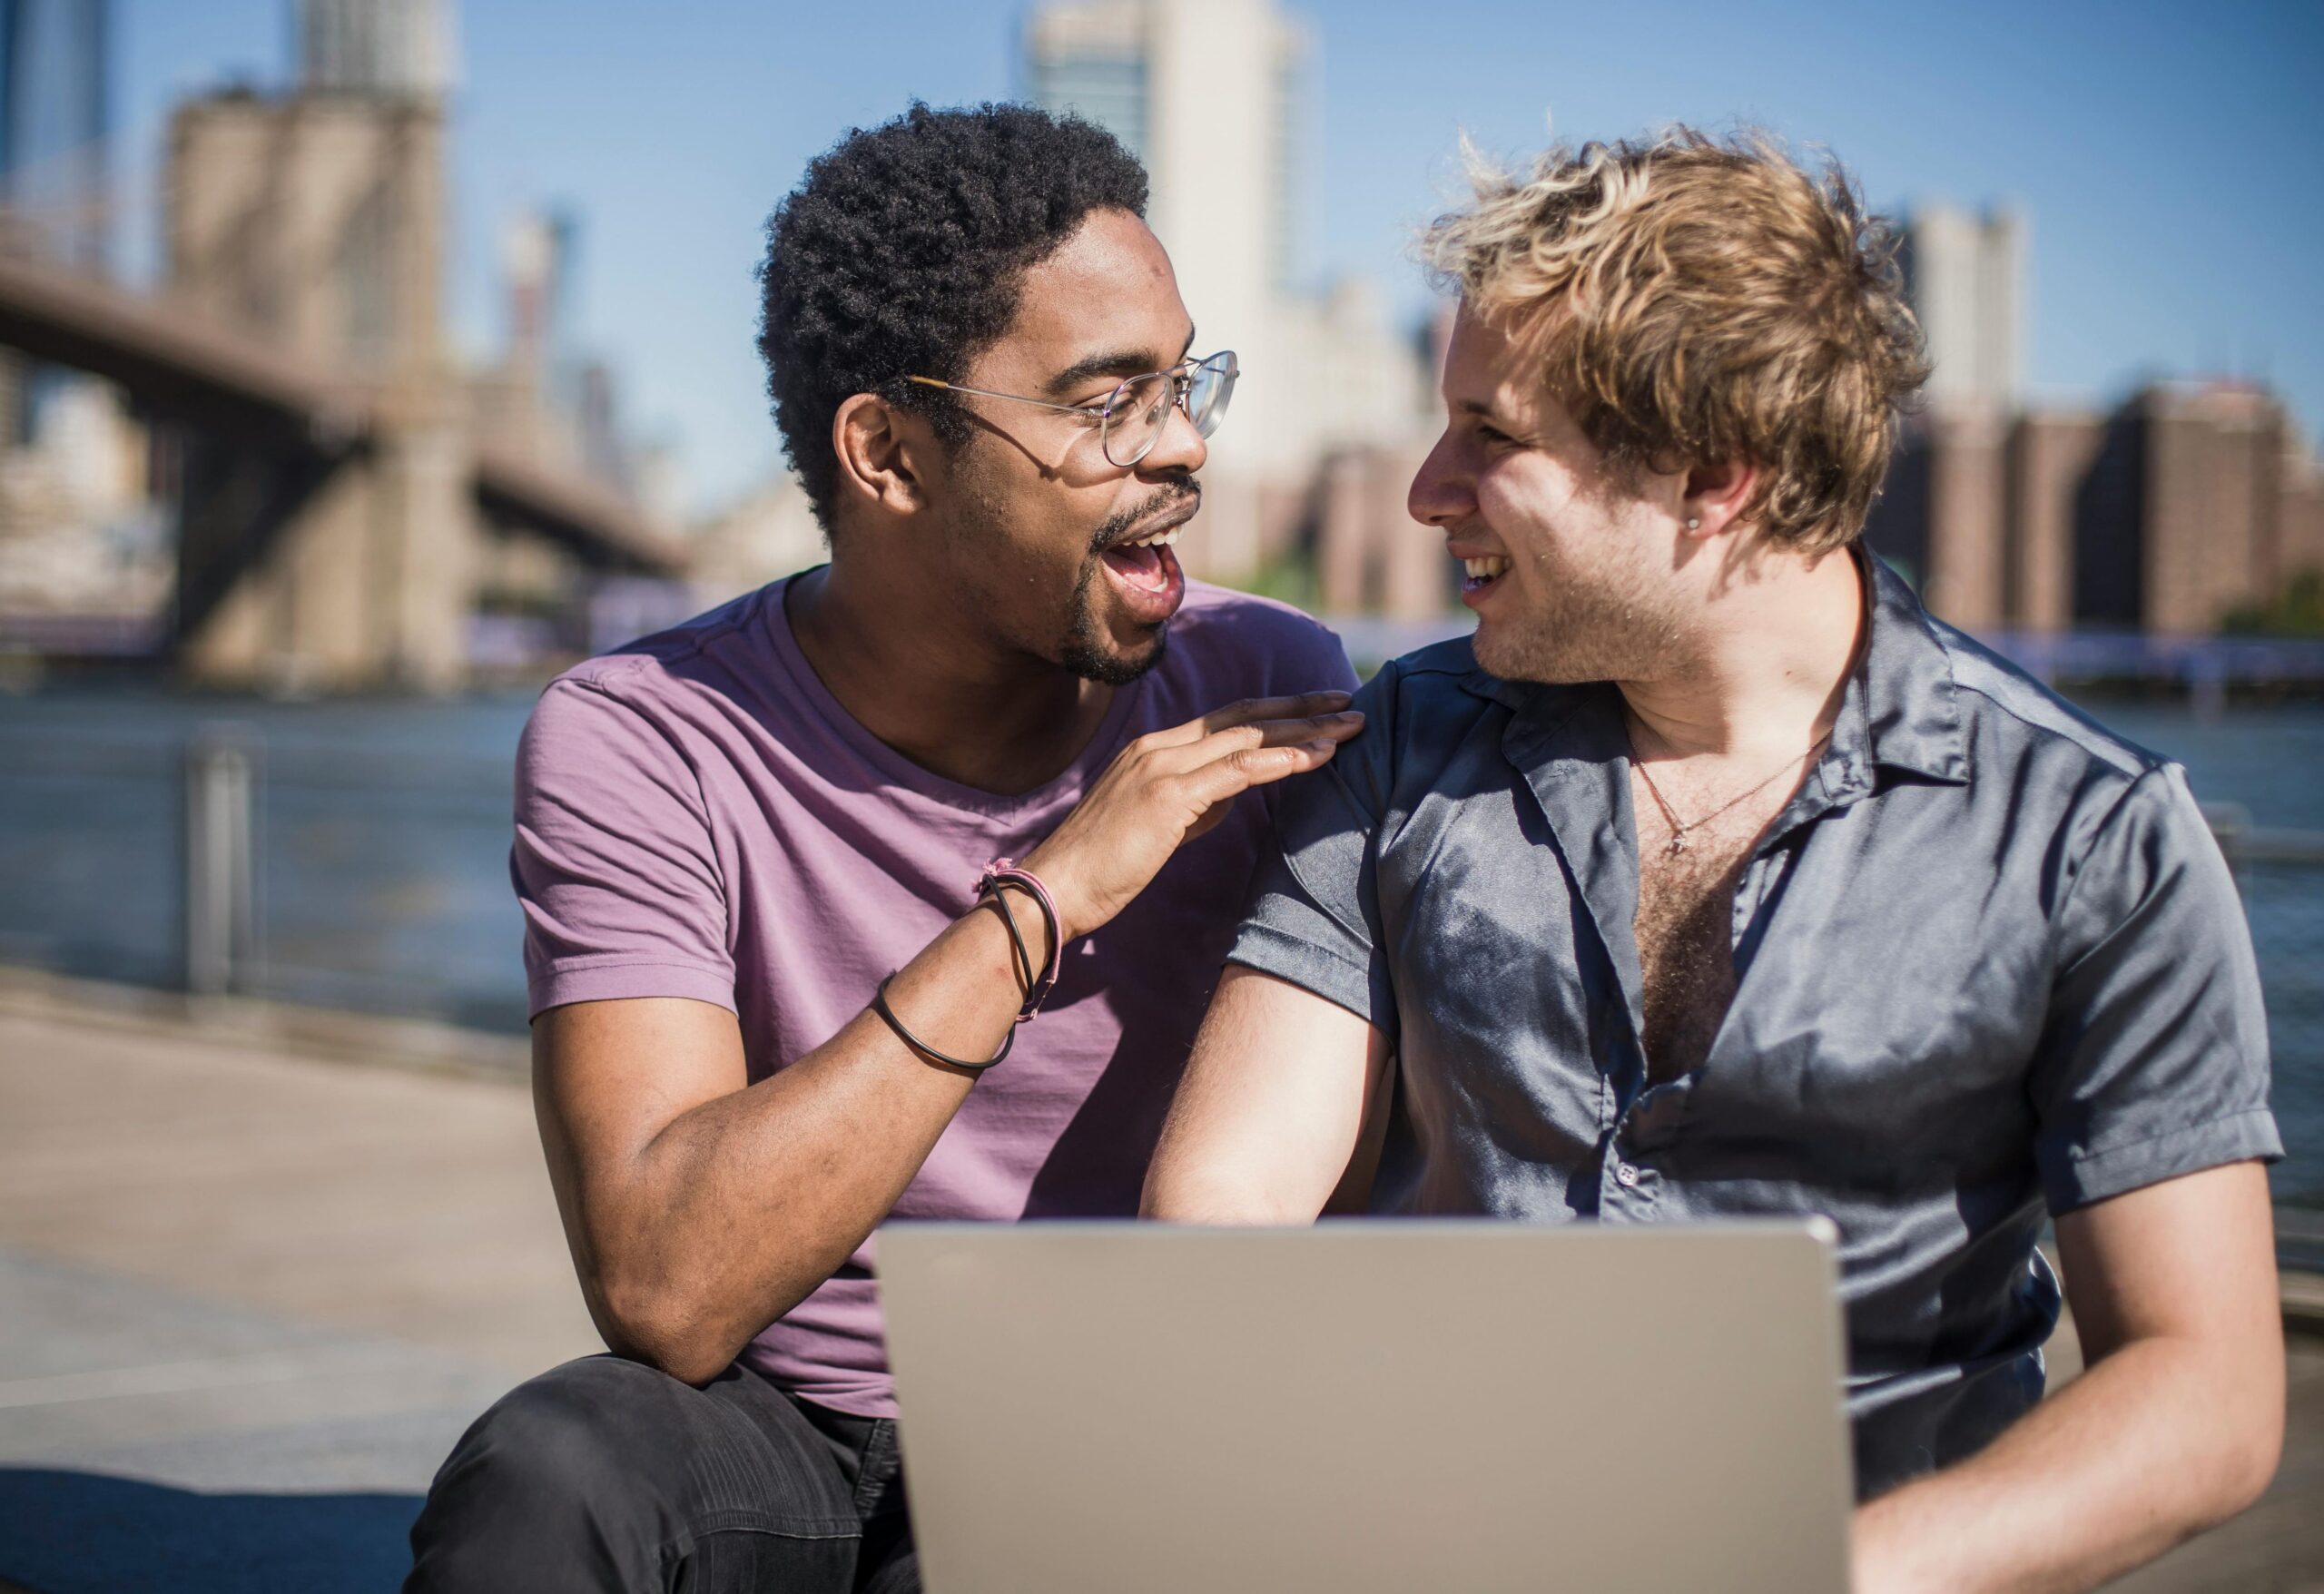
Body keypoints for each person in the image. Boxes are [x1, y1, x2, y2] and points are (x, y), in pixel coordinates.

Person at [1143, 126, 2284, 1592]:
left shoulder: (2094, 837)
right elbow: (1222, 1207)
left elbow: (2206, 1394)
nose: (1432, 490)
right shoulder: (1402, 744)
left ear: (1713, 478)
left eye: (1491, 435)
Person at [405, 103, 1361, 1594]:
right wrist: (1044, 904)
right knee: (549, 1475)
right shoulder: (644, 735)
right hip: (777, 1428)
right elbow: (666, 1288)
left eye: (1186, 384)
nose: (1180, 448)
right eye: (1107, 401)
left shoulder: (1264, 683)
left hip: (1118, 1442)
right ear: (891, 452)